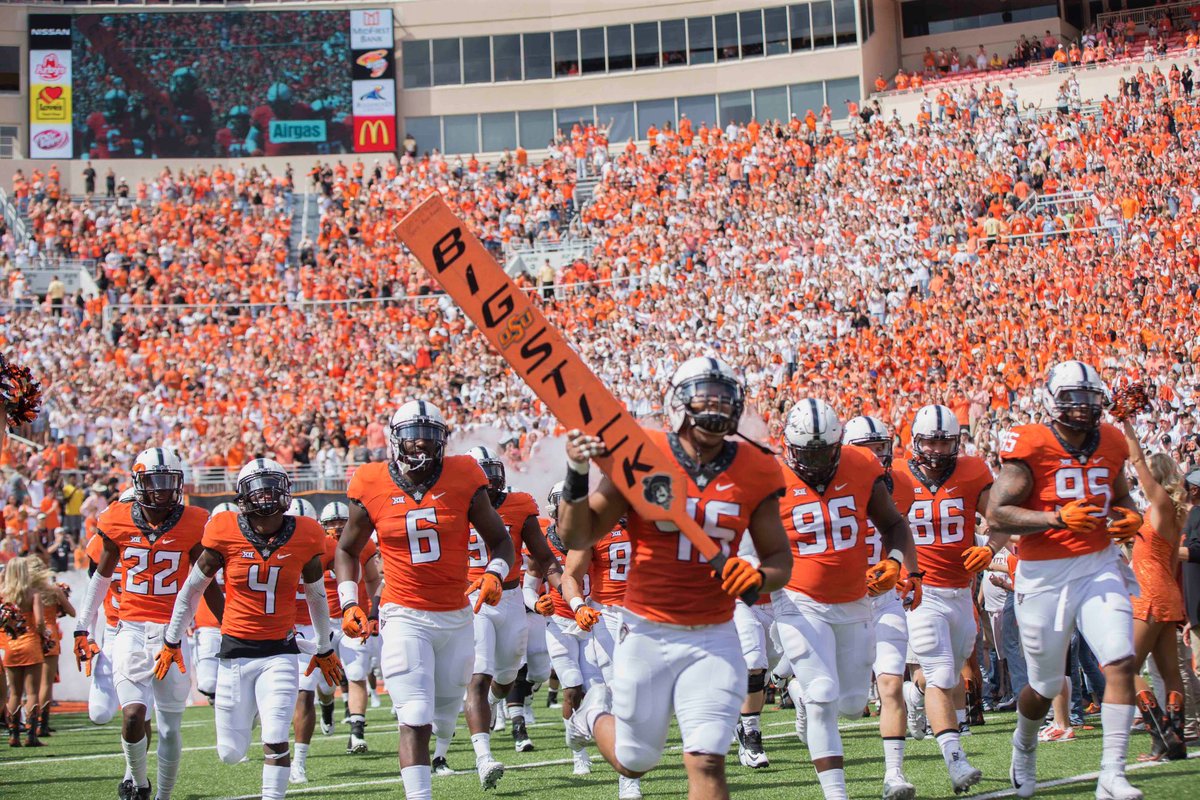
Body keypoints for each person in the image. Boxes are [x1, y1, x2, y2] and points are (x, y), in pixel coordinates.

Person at [557, 356, 793, 800]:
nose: (717, 407)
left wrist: (758, 577)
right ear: (679, 402)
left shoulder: (757, 467)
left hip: (716, 635)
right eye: (705, 396)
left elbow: (779, 557)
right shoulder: (644, 454)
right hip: (648, 631)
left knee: (707, 761)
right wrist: (577, 472)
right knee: (636, 759)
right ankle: (591, 716)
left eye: (725, 398)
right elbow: (579, 532)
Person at [334, 401, 516, 799]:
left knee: (445, 711)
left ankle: (443, 746)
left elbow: (501, 540)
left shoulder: (465, 474)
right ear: (394, 440)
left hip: (456, 615)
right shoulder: (370, 481)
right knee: (414, 716)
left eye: (431, 437)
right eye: (413, 437)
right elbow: (347, 549)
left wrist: (494, 573)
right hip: (403, 612)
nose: (421, 446)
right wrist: (350, 602)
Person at [986, 361, 1144, 800]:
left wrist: (1129, 518)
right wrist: (1055, 517)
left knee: (1120, 660)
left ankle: (1111, 774)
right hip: (1043, 576)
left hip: (1098, 565)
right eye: (1072, 399)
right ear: (1054, 402)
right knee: (1045, 686)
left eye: (1089, 399)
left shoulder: (1111, 440)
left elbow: (1123, 498)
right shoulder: (1032, 444)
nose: (1082, 408)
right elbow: (997, 512)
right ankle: (1025, 742)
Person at [153, 458, 342, 800]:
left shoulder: (307, 532)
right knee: (230, 753)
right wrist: (172, 639)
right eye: (259, 487)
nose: (266, 495)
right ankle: (252, 709)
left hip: (280, 652)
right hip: (235, 653)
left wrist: (324, 645)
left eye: (272, 485)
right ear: (243, 495)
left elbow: (316, 596)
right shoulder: (223, 529)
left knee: (275, 736)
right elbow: (192, 590)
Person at [773, 398, 920, 800]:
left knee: (853, 704)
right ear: (790, 446)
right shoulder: (770, 479)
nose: (818, 461)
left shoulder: (860, 464)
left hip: (854, 597)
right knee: (823, 692)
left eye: (825, 451)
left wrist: (894, 562)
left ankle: (800, 694)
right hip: (798, 598)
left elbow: (892, 523)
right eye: (809, 452)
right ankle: (836, 794)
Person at [72, 449, 212, 800]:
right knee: (132, 714)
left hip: (172, 634)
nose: (164, 490)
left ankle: (162, 794)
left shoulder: (195, 521)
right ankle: (138, 780)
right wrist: (81, 627)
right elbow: (100, 578)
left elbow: (206, 582)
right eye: (156, 482)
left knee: (169, 728)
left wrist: (230, 629)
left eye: (170, 481)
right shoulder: (117, 518)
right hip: (129, 629)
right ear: (139, 482)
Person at [442, 447, 560, 777]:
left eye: (491, 472)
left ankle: (495, 702)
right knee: (479, 674)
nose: (489, 481)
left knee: (507, 675)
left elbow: (542, 554)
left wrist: (568, 589)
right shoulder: (451, 503)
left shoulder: (520, 504)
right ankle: (483, 756)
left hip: (510, 597)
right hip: (473, 598)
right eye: (481, 474)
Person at [895, 405, 993, 794]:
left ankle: (914, 692)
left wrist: (995, 546)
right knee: (940, 671)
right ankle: (955, 759)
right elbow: (883, 526)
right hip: (920, 590)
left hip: (960, 588)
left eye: (944, 440)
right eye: (930, 440)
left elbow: (997, 516)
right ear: (915, 442)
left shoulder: (973, 471)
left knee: (946, 674)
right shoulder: (898, 475)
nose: (936, 449)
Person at [842, 415, 917, 800]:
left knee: (890, 683)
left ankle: (894, 774)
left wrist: (909, 571)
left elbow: (902, 531)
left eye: (879, 448)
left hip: (885, 598)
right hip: (845, 605)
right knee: (851, 704)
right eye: (866, 449)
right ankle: (803, 694)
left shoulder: (899, 482)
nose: (877, 456)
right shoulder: (836, 486)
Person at [1119, 418, 1188, 761]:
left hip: (1149, 594)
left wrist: (1127, 427)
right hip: (1167, 592)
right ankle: (1175, 740)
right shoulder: (1175, 514)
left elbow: (1137, 463)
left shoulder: (1159, 505)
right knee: (1170, 673)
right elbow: (1171, 560)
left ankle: (1160, 732)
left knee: (1123, 668)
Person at [562, 511, 642, 799]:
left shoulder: (660, 517)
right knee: (623, 692)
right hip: (609, 615)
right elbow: (569, 575)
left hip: (651, 614)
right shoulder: (595, 524)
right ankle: (627, 778)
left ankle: (586, 718)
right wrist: (578, 605)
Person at [316, 500, 382, 756]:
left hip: (354, 619)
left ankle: (357, 732)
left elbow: (373, 579)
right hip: (323, 621)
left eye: (341, 521)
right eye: (331, 523)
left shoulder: (364, 544)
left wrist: (373, 612)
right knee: (324, 683)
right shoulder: (317, 546)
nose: (337, 527)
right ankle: (327, 705)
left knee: (356, 672)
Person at [1, 555, 47, 747]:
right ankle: (31, 735)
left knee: (14, 693)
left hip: (11, 646)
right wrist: (43, 634)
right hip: (31, 644)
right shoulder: (33, 593)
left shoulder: (3, 594)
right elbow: (39, 622)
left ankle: (13, 735)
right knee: (32, 692)